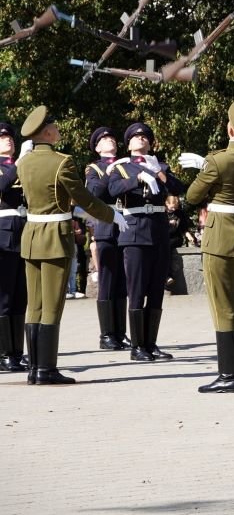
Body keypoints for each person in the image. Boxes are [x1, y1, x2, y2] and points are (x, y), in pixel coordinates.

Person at [17, 106, 126, 385]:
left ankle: (34, 368)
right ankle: (46, 370)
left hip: (31, 235)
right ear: (47, 132)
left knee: (35, 306)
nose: (58, 129)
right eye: (54, 126)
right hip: (55, 235)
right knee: (52, 305)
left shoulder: (24, 163)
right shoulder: (61, 162)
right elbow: (83, 198)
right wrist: (111, 215)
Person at [183, 99, 234, 394]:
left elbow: (194, 195)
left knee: (223, 308)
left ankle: (228, 376)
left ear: (230, 128)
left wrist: (204, 167)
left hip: (220, 237)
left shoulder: (217, 160)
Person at [106, 122, 185, 361]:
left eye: (145, 137)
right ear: (128, 144)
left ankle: (151, 343)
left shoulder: (159, 165)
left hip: (159, 230)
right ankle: (137, 346)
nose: (141, 138)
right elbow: (112, 189)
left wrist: (157, 172)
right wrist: (138, 178)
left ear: (151, 143)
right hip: (135, 232)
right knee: (138, 290)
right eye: (136, 136)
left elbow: (178, 188)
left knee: (156, 290)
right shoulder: (121, 167)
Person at [85, 126, 126, 351]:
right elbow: (95, 192)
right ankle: (106, 334)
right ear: (97, 148)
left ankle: (121, 332)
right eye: (104, 140)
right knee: (108, 281)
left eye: (112, 138)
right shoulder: (95, 168)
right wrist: (113, 174)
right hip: (106, 225)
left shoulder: (124, 165)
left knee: (122, 282)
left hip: (125, 226)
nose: (109, 141)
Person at [0, 121, 29, 372]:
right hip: (3, 236)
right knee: (4, 297)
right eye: (2, 137)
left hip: (25, 233)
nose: (8, 139)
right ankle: (4, 353)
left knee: (21, 297)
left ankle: (17, 352)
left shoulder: (23, 165)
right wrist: (19, 163)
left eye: (10, 136)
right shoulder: (10, 167)